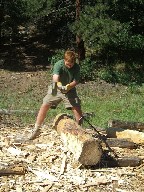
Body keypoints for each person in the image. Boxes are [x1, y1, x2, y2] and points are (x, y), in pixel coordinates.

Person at [29, 50, 83, 140]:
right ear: (64, 60)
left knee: (77, 109)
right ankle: (36, 129)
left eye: (71, 64)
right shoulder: (59, 64)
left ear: (74, 62)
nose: (69, 66)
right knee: (45, 104)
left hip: (70, 89)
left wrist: (68, 87)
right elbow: (55, 78)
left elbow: (76, 81)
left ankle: (80, 131)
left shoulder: (77, 67)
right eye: (67, 64)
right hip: (55, 87)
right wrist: (60, 85)